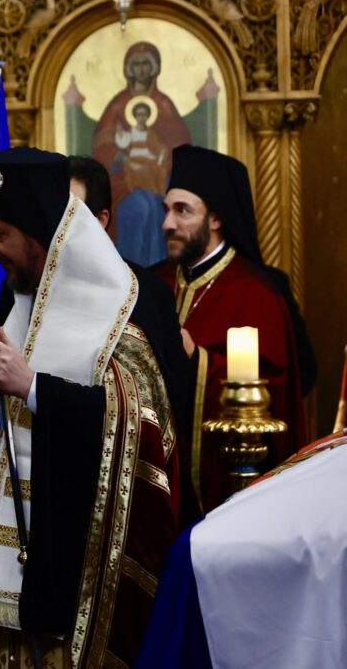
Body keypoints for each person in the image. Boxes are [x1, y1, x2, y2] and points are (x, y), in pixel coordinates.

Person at [0, 147, 180, 666]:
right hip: (17, 570)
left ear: (39, 233)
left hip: (80, 562)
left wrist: (35, 389)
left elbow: (141, 422)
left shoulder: (116, 306)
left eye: (0, 236)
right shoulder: (16, 298)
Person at [154, 144, 309, 511]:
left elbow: (279, 390)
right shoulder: (156, 282)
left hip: (226, 483)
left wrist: (198, 361)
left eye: (182, 211)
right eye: (166, 210)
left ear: (215, 218)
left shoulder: (257, 294)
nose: (167, 224)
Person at [68, 157, 196, 525]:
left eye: (70, 214)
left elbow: (169, 397)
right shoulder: (29, 290)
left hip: (131, 480)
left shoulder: (146, 290)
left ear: (102, 220)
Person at [92, 42, 192, 267]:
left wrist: (162, 157)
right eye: (136, 64)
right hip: (123, 178)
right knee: (138, 207)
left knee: (158, 207)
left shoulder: (164, 105)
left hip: (156, 179)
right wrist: (123, 158)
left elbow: (180, 144)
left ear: (154, 68)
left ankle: (159, 269)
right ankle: (129, 269)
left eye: (146, 64)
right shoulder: (118, 105)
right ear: (129, 68)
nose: (141, 70)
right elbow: (103, 143)